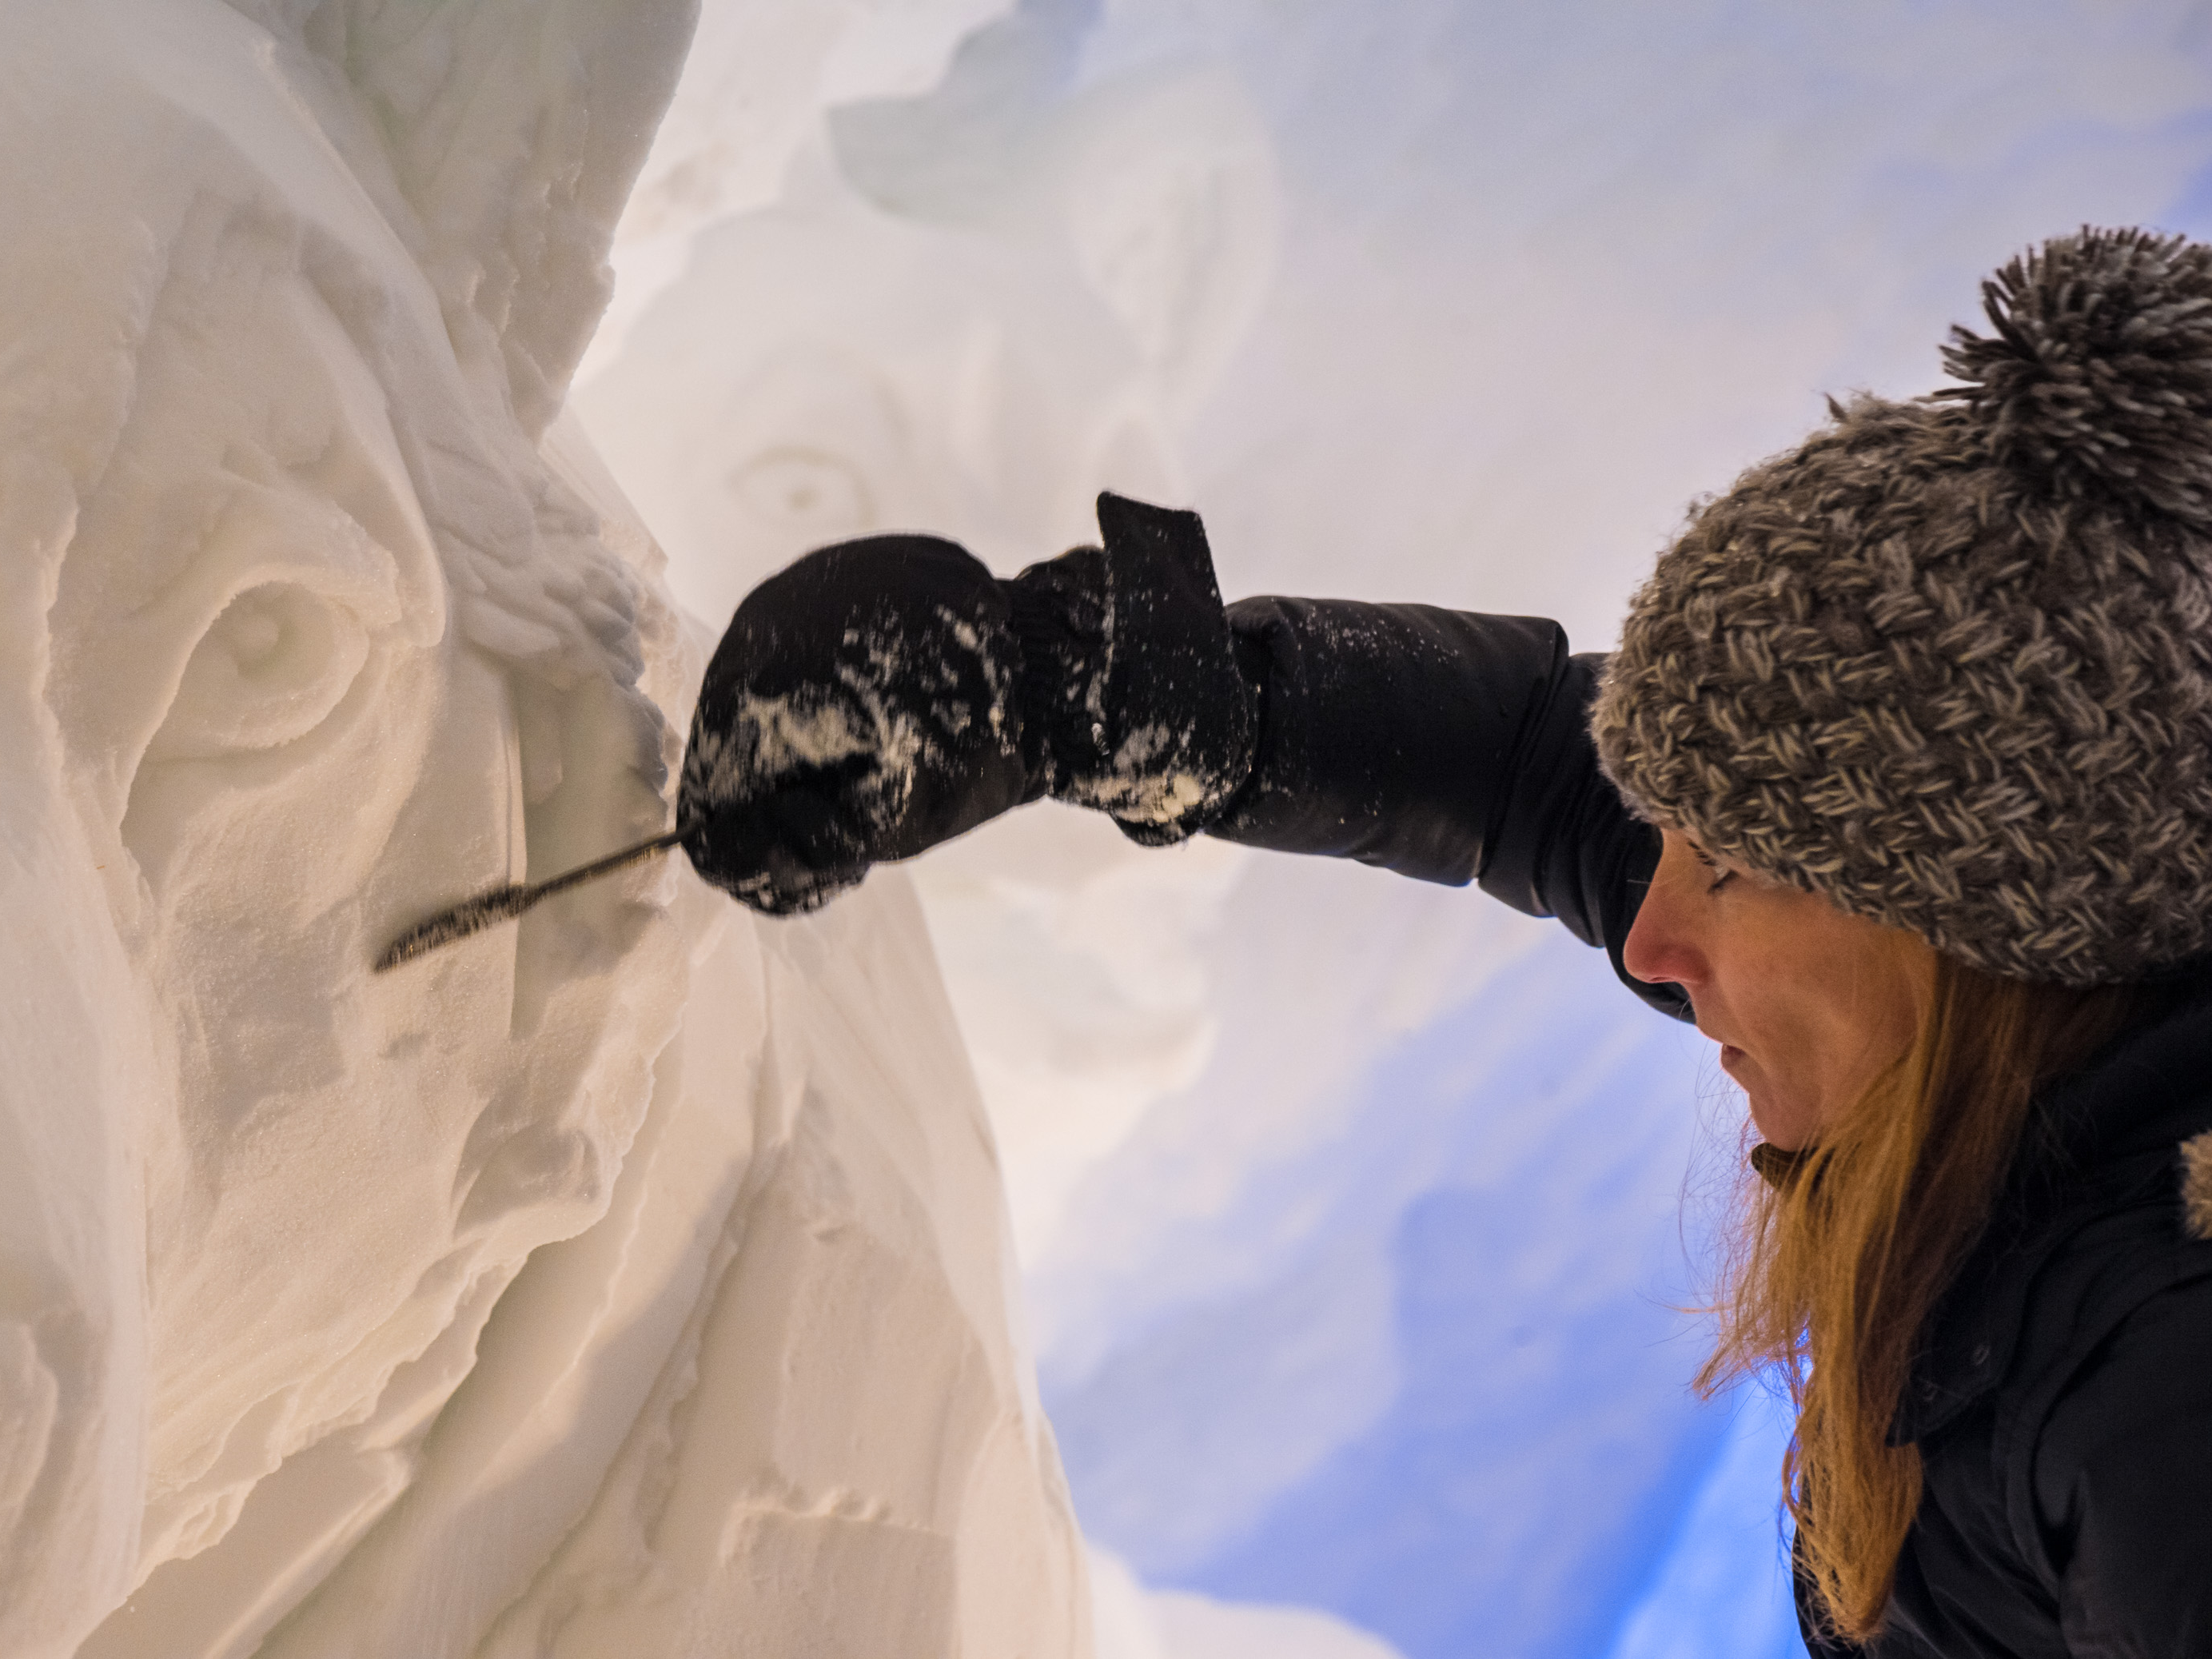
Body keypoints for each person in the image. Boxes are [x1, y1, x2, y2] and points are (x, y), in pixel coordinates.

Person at [673, 226, 2212, 1657]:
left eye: (1729, 866)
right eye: (1661, 836)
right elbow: (1532, 763)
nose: (1650, 938)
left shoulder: (2168, 1395)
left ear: (1977, 919)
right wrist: (1069, 686)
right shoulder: (2063, 988)